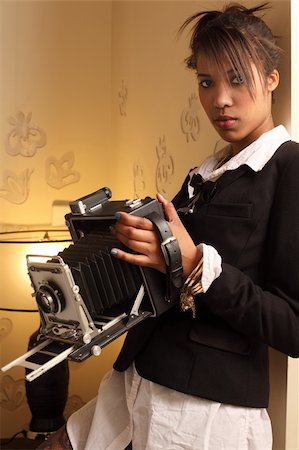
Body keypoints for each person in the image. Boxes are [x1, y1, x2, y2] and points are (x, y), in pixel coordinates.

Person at [38, 2, 299, 449]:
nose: (220, 99)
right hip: (136, 378)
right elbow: (164, 282)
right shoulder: (205, 174)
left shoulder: (289, 168)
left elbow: (293, 327)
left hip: (205, 412)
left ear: (272, 79)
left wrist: (195, 261)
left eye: (238, 79)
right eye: (206, 81)